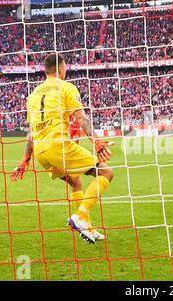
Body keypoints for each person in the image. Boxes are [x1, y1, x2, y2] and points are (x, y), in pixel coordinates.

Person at [10, 53, 114, 244]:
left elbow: (31, 132)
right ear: (61, 68)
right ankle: (81, 216)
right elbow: (82, 117)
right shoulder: (66, 87)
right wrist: (97, 142)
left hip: (41, 153)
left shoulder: (33, 95)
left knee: (76, 182)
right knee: (106, 172)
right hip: (58, 146)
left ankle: (88, 229)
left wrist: (25, 160)